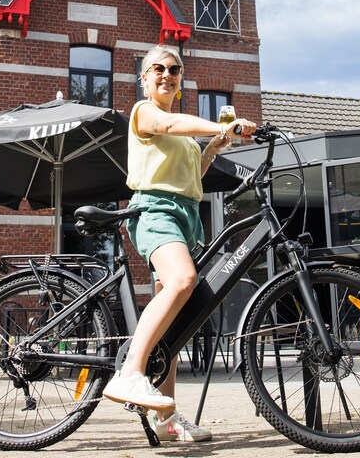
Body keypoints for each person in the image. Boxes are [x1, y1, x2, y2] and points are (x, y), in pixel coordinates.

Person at [102, 45, 256, 443]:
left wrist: (212, 149)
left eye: (174, 69)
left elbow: (194, 176)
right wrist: (221, 127)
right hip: (156, 211)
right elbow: (169, 128)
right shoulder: (144, 112)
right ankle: (129, 372)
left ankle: (165, 415)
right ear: (144, 78)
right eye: (158, 69)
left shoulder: (186, 135)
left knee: (172, 329)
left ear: (181, 79)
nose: (167, 74)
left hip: (185, 216)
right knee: (184, 279)